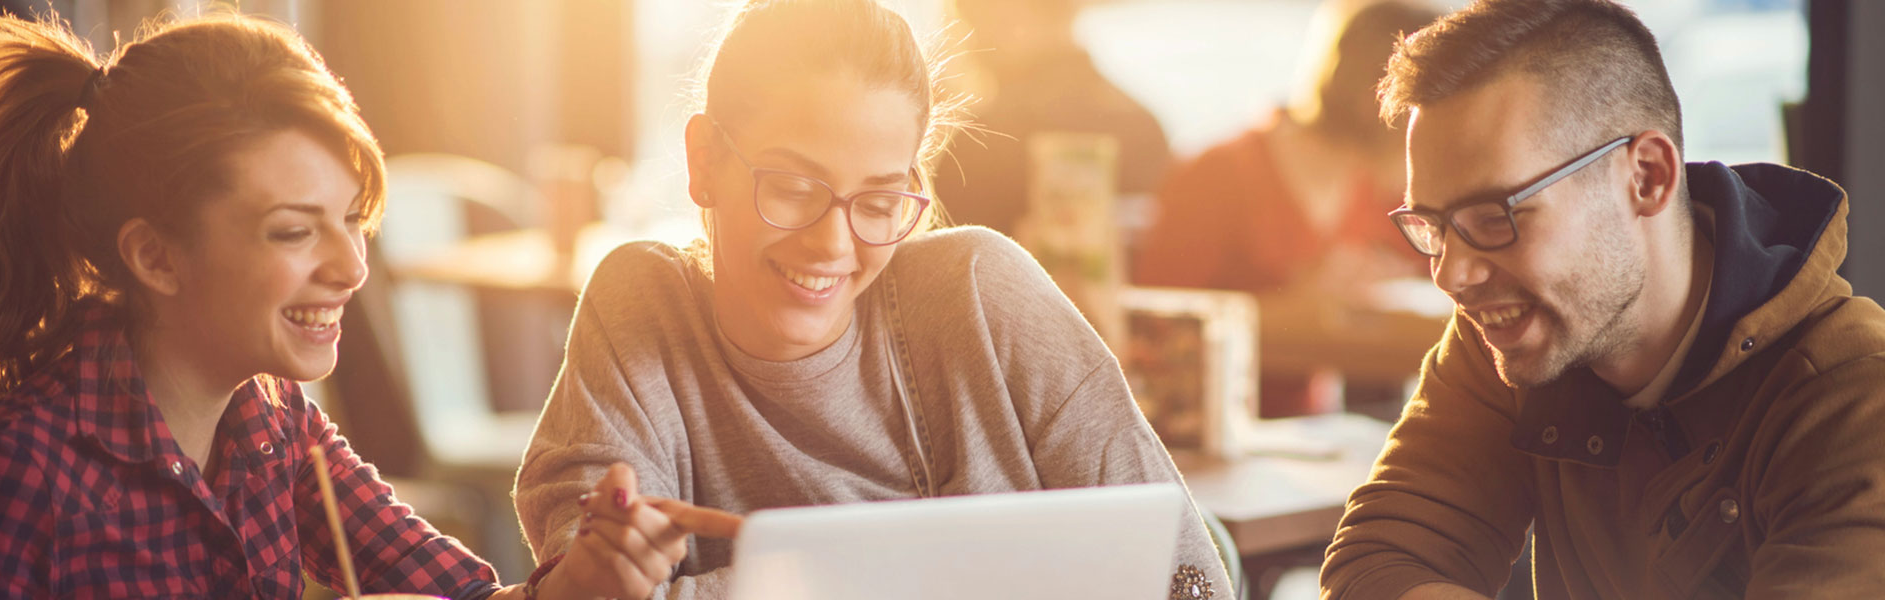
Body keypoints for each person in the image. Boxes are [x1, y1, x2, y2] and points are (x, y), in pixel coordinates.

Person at [512, 1, 1232, 599]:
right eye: (793, 188)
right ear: (705, 162)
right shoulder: (643, 303)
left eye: (880, 201)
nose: (834, 244)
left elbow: (1185, 572)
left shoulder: (984, 292)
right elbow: (586, 570)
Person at [0, 12, 676, 599]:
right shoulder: (15, 475)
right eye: (295, 231)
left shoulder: (275, 423)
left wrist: (582, 584)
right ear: (156, 256)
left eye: (354, 220)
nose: (352, 268)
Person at [1320, 0, 1885, 598]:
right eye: (1434, 225)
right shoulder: (1511, 339)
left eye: (1494, 217)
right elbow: (1378, 560)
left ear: (1646, 177)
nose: (1451, 275)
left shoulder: (1851, 401)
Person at [1134, 0, 1440, 418]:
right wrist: (1294, 306)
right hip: (1217, 430)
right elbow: (1153, 334)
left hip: (1315, 430)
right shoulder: (1217, 174)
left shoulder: (1382, 187)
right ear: (1386, 98)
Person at [930, 0, 1172, 237]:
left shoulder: (986, 139)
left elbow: (938, 262)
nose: (968, 46)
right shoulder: (1144, 125)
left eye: (968, 22)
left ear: (1008, 15)